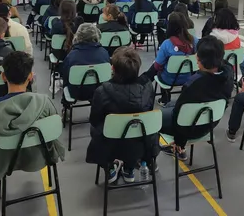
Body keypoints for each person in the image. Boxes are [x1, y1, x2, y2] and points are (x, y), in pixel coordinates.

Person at [0, 51, 65, 185]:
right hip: (38, 157)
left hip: (4, 163)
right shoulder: (45, 102)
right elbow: (54, 130)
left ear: (3, 77)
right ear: (30, 76)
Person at [86, 47, 159, 184]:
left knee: (95, 128)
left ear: (112, 69)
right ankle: (129, 168)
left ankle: (110, 168)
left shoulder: (102, 91)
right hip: (141, 144)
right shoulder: (147, 87)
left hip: (111, 146)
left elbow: (94, 120)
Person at [159, 36, 233, 160]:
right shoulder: (229, 76)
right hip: (210, 123)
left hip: (189, 129)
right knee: (170, 105)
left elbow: (179, 117)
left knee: (153, 119)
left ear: (200, 60)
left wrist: (179, 141)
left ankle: (175, 150)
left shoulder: (193, 84)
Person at [143, 12, 199, 104]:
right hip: (189, 77)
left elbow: (157, 66)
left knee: (159, 67)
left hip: (169, 80)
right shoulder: (195, 41)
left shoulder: (167, 44)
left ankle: (165, 98)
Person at [61, 23, 110, 104]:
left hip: (76, 93)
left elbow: (65, 75)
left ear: (78, 36)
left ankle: (66, 105)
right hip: (99, 90)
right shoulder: (104, 53)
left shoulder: (72, 55)